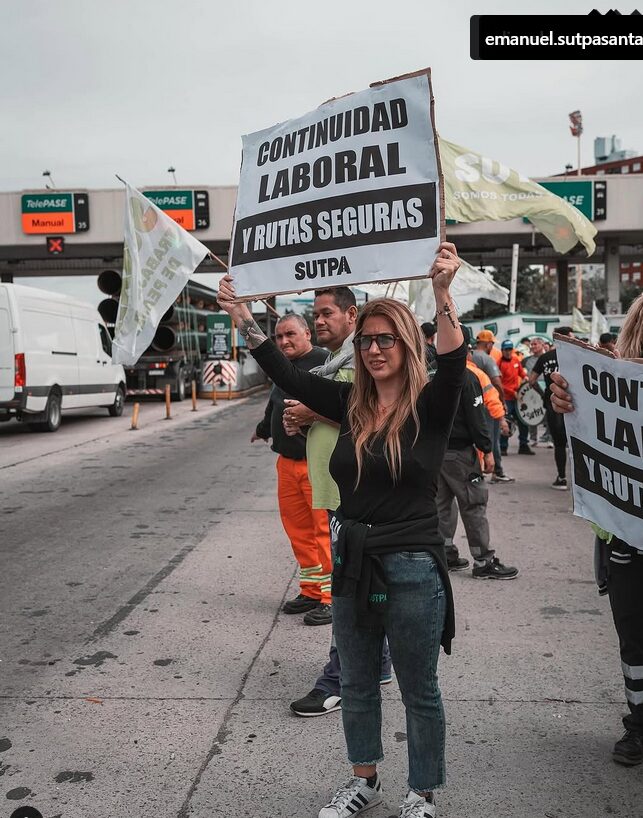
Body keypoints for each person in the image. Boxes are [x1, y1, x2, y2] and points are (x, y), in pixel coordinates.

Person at [218, 242, 465, 818]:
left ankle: (422, 792)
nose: (375, 350)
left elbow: (453, 361)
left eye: (386, 340)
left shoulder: (431, 405)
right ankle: (365, 781)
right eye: (366, 341)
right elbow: (284, 371)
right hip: (352, 558)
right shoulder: (349, 402)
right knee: (355, 681)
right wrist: (242, 315)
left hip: (411, 564)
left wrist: (443, 291)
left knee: (418, 688)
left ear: (406, 345)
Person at [282, 288, 392, 714]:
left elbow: (369, 414)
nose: (319, 321)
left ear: (352, 314)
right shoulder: (335, 363)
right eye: (315, 314)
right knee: (364, 586)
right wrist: (302, 421)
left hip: (356, 495)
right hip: (337, 491)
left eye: (326, 313)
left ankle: (340, 677)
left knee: (348, 591)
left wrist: (312, 413)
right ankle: (378, 662)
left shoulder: (362, 361)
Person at [549, 293, 643, 767]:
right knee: (635, 643)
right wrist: (570, 399)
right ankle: (639, 725)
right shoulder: (617, 382)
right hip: (628, 542)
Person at [252, 314, 331, 622]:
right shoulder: (283, 367)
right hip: (286, 463)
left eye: (290, 335)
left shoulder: (324, 361)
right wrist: (263, 428)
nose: (283, 341)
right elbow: (275, 402)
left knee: (323, 531)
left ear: (306, 333)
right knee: (299, 532)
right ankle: (311, 589)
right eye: (279, 337)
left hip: (314, 464)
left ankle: (330, 596)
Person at [436, 335, 519, 579]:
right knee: (473, 505)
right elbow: (477, 419)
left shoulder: (429, 374)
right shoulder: (466, 377)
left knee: (441, 505)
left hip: (436, 452)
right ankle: (483, 561)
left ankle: (445, 554)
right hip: (460, 455)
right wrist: (488, 450)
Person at [529, 326, 574, 489]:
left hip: (553, 403)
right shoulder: (576, 357)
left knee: (559, 443)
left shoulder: (545, 358)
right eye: (571, 337)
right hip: (574, 405)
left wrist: (543, 394)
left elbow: (532, 380)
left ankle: (561, 478)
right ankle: (581, 482)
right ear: (565, 338)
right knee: (577, 443)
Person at [470, 332, 511, 481]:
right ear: (488, 344)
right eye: (492, 344)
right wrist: (502, 402)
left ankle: (476, 468)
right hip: (488, 406)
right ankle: (497, 471)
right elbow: (497, 383)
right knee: (492, 438)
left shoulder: (470, 356)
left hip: (472, 405)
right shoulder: (487, 359)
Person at [499, 340, 534, 456]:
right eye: (506, 350)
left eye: (510, 349)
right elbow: (499, 384)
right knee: (507, 422)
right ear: (502, 350)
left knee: (523, 421)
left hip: (518, 397)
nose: (508, 352)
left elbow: (521, 373)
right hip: (507, 398)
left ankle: (523, 445)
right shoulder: (499, 364)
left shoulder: (515, 360)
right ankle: (503, 447)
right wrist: (511, 392)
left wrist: (527, 378)